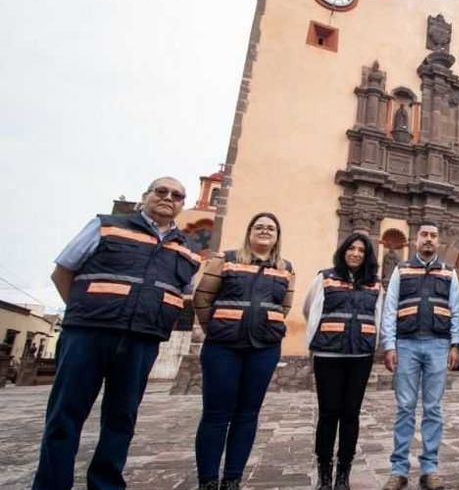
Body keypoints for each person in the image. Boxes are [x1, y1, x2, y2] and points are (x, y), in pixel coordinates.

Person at [34, 177, 201, 490]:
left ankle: (106, 484)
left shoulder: (187, 251)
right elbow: (63, 271)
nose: (168, 198)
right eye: (161, 191)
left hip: (142, 338)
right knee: (65, 414)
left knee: (122, 418)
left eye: (177, 195)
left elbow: (182, 292)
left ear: (181, 204)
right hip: (88, 334)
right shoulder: (106, 226)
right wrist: (84, 310)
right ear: (145, 196)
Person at [192, 212, 295, 490]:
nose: (264, 231)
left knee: (248, 414)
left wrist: (265, 324)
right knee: (216, 414)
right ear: (249, 231)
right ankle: (208, 480)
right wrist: (215, 326)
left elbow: (285, 306)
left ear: (277, 236)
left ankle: (233, 478)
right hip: (223, 347)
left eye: (270, 228)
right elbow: (202, 297)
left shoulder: (285, 267)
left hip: (263, 348)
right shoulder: (225, 259)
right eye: (259, 227)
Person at [380, 222, 459, 490]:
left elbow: (456, 311)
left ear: (439, 241)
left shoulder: (449, 272)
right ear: (416, 240)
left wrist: (455, 344)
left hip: (438, 346)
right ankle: (398, 469)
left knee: (433, 409)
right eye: (424, 235)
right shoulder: (401, 270)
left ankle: (430, 468)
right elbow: (390, 307)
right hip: (406, 345)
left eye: (433, 236)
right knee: (405, 407)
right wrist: (389, 345)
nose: (428, 240)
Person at [303, 232, 383, 490]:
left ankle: (343, 476)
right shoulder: (324, 278)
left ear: (367, 255)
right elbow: (309, 308)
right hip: (328, 355)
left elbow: (378, 316)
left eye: (361, 250)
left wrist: (371, 344)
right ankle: (325, 474)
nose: (356, 253)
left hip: (360, 356)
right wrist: (321, 338)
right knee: (328, 414)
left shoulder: (375, 284)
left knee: (351, 414)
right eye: (352, 248)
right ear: (343, 251)